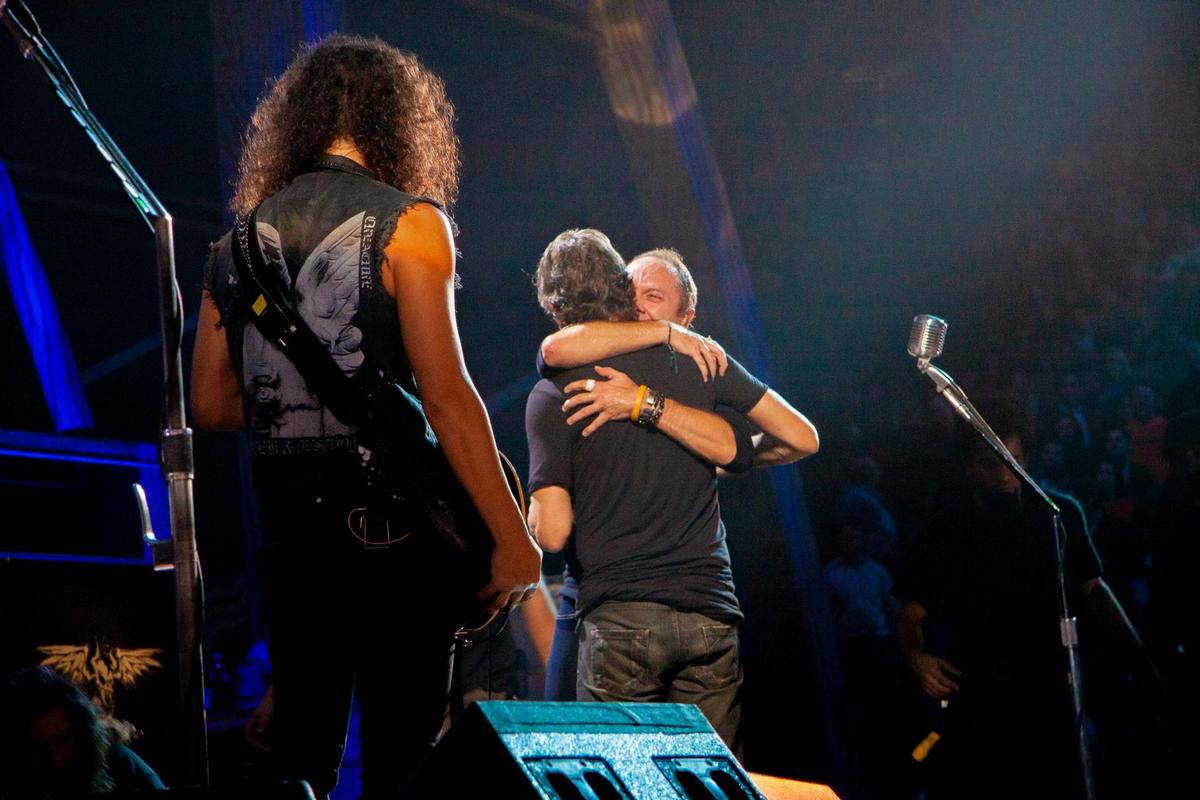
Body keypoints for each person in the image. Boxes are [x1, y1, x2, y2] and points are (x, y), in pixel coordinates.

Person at [190, 35, 541, 800]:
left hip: (290, 544)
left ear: (296, 125)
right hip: (395, 540)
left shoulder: (231, 250)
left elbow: (210, 404)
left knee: (301, 766)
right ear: (399, 124)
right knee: (404, 767)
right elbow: (447, 397)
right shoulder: (411, 224)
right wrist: (514, 538)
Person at [525, 231, 815, 751]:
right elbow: (555, 347)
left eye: (654, 298)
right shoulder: (603, 355)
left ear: (687, 319)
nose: (638, 305)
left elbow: (799, 436)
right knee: (705, 777)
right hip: (704, 615)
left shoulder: (695, 363)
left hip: (629, 612)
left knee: (618, 774)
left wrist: (658, 413)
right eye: (631, 290)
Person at [893, 398, 1154, 799]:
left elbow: (1094, 591)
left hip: (1054, 693)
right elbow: (911, 613)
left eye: (1012, 461)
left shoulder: (1057, 515)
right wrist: (916, 656)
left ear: (1026, 457)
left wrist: (1143, 662)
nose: (1004, 476)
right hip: (981, 700)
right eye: (990, 465)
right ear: (968, 466)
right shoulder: (943, 530)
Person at [0, 666, 166, 796]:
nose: (55, 760)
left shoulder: (124, 766)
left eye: (62, 740)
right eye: (39, 747)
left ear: (81, 730)